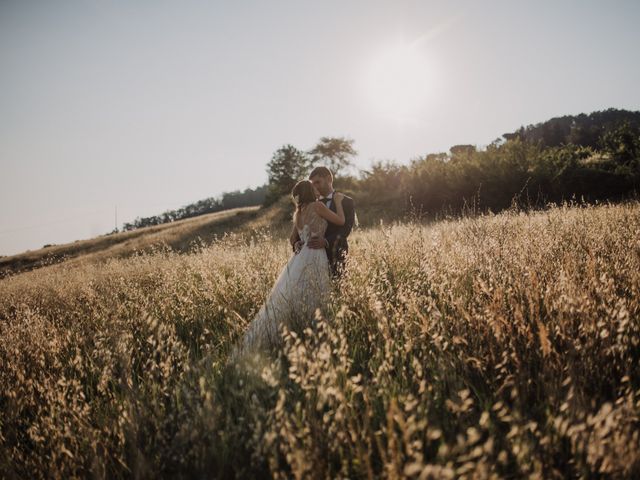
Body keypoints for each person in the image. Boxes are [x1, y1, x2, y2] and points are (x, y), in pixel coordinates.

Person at [232, 179, 346, 358]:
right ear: (311, 191)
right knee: (316, 290)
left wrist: (300, 242)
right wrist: (338, 202)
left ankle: (298, 328)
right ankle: (316, 331)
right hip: (316, 253)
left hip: (300, 256)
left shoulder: (298, 213)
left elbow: (292, 238)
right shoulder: (317, 206)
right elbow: (340, 221)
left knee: (297, 291)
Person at [292, 166, 356, 278]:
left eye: (317, 182)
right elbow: (297, 234)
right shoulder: (308, 205)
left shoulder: (346, 201)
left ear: (329, 179)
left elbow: (345, 229)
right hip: (309, 258)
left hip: (336, 253)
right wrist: (296, 243)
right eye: (312, 184)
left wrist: (326, 241)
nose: (315, 186)